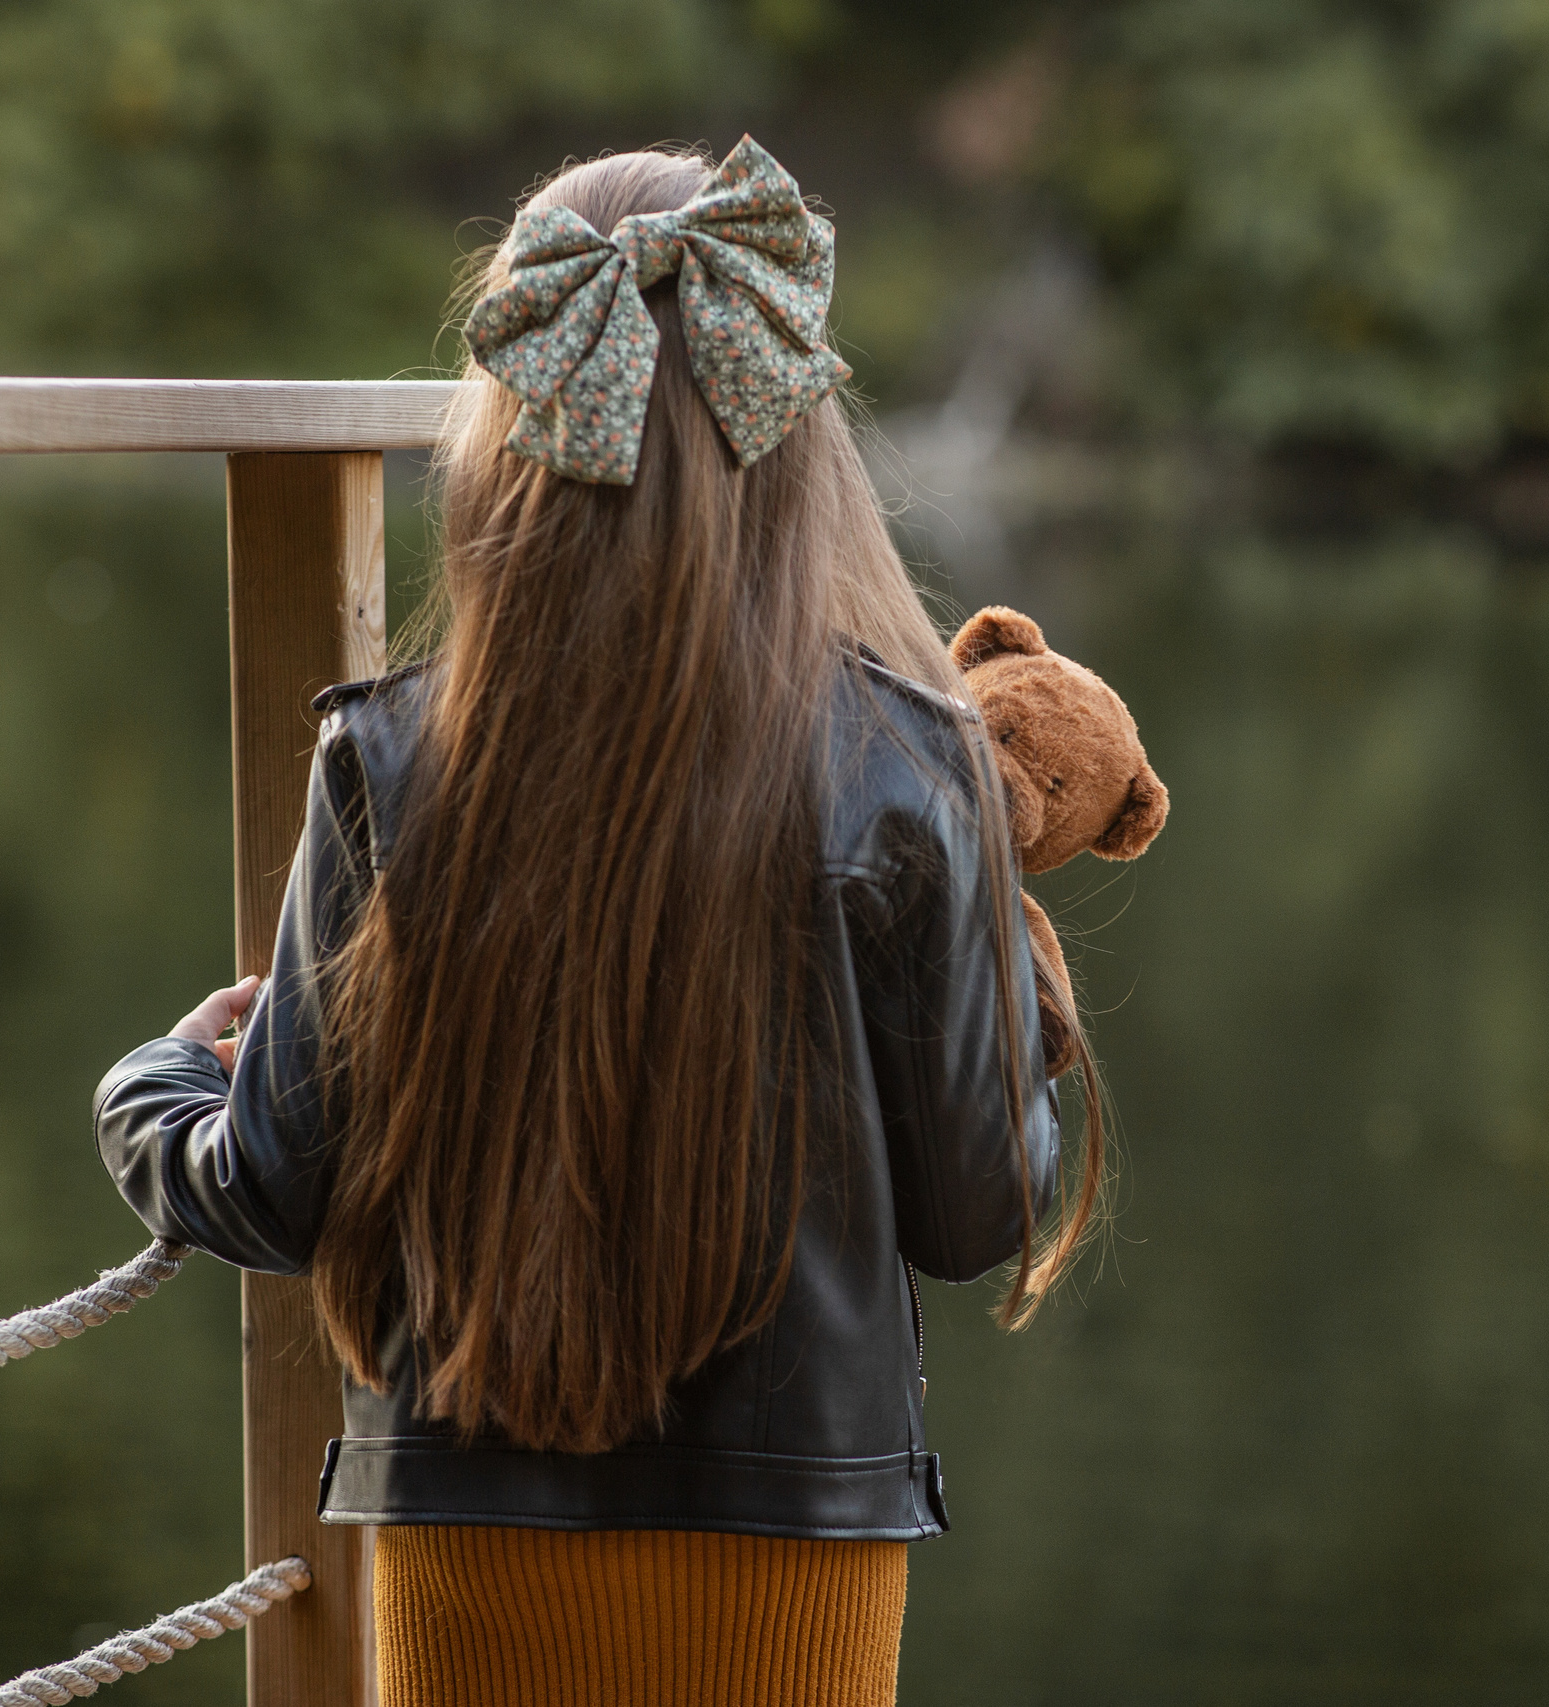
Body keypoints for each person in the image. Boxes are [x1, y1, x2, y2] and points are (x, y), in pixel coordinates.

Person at [92, 140, 1102, 1706]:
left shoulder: (388, 760)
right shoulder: (918, 769)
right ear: (795, 437)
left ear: (510, 439)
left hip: (465, 1535)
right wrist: (1017, 1021)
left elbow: (269, 1190)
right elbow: (979, 1215)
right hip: (801, 1552)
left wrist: (150, 1090)